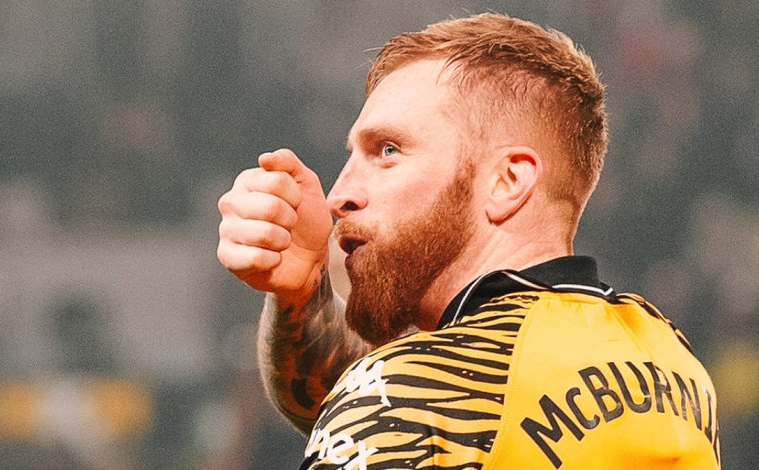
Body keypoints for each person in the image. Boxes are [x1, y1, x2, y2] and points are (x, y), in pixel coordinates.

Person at [217, 12, 720, 469]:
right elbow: (383, 392)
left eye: (388, 150)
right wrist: (303, 290)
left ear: (508, 181)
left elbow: (398, 401)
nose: (338, 195)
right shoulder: (668, 358)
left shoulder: (417, 396)